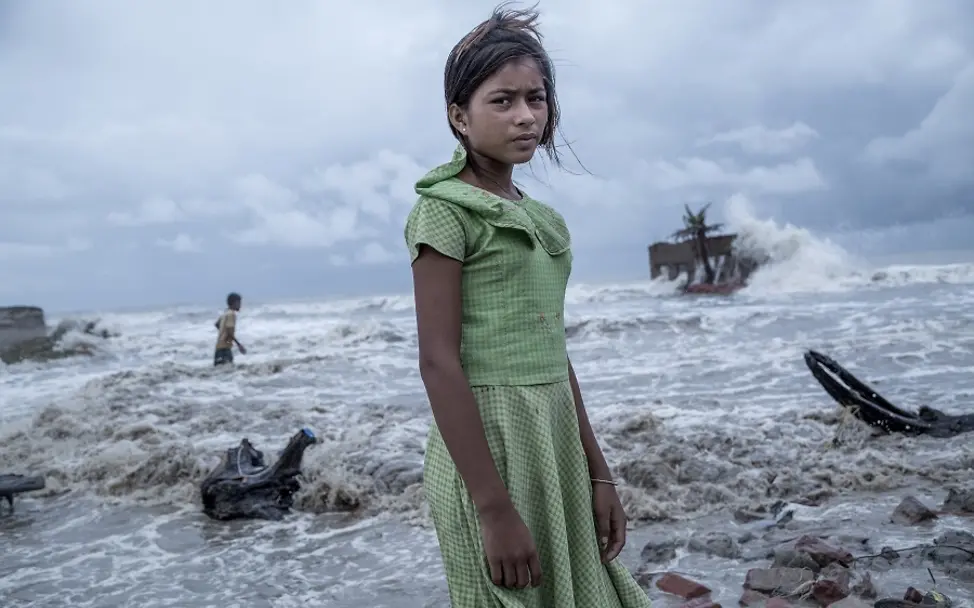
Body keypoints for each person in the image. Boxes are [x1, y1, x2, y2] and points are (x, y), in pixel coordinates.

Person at [403, 5, 651, 607]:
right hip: (491, 443)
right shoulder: (446, 210)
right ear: (459, 117)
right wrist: (492, 509)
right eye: (503, 101)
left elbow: (555, 353)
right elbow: (438, 361)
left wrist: (599, 472)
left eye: (536, 99)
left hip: (554, 437)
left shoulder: (542, 219)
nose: (525, 117)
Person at [214, 292, 246, 366]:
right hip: (225, 349)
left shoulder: (225, 313)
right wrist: (239, 345)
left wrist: (223, 333)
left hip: (218, 349)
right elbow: (229, 332)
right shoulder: (231, 314)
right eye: (239, 303)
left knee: (219, 372)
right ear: (234, 303)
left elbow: (217, 324)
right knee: (227, 371)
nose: (240, 305)